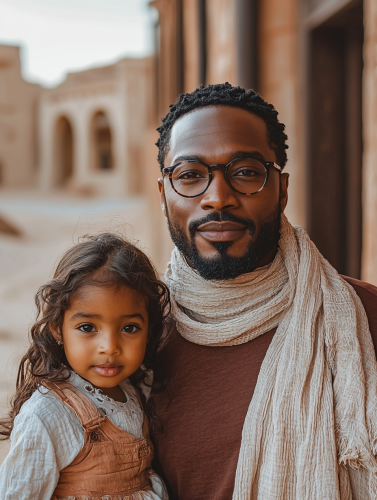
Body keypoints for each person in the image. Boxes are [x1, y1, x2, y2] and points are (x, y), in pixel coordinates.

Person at [152, 83, 377, 499]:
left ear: (283, 189)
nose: (218, 198)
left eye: (246, 173)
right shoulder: (135, 335)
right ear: (164, 195)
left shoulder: (364, 318)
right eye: (189, 176)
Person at [0, 234, 169, 500]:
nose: (109, 347)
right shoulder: (47, 415)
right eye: (87, 327)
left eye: (129, 328)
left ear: (148, 331)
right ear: (57, 328)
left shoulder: (136, 390)